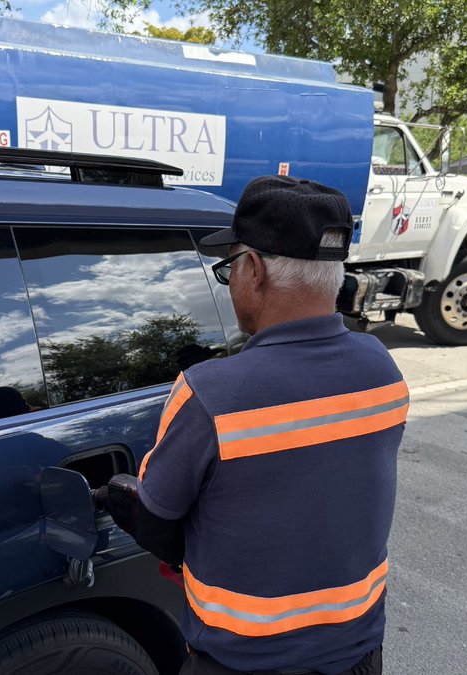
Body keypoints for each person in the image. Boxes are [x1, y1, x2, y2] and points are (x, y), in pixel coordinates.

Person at [96, 176, 408, 675]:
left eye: (229, 269)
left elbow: (156, 517)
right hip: (360, 656)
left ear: (255, 270)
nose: (231, 284)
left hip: (241, 665)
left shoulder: (209, 395)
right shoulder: (381, 370)